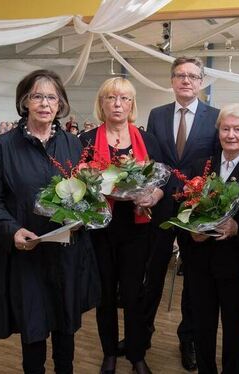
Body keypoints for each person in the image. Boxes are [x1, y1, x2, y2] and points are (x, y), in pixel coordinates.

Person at [0, 69, 100, 374]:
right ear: (25, 102)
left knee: (66, 329)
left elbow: (85, 194)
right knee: (33, 331)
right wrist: (12, 230)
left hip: (67, 254)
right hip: (28, 254)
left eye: (52, 97)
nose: (45, 103)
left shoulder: (73, 144)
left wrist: (87, 212)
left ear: (60, 104)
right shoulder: (4, 146)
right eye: (38, 96)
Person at [79, 77, 163, 374]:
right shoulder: (86, 141)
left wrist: (154, 193)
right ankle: (109, 352)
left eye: (124, 99)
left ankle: (137, 354)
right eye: (111, 98)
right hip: (101, 230)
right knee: (105, 295)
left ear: (132, 105)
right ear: (101, 103)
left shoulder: (147, 140)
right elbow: (77, 184)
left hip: (138, 229)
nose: (118, 104)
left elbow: (163, 181)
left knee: (133, 294)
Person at [144, 56, 220, 371]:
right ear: (172, 80)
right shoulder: (157, 115)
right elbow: (155, 163)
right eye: (179, 75)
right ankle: (141, 334)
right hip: (160, 207)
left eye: (192, 76)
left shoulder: (215, 117)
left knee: (195, 280)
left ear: (201, 81)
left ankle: (187, 338)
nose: (185, 80)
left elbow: (214, 164)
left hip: (195, 209)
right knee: (152, 275)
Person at [179, 103, 239, 374]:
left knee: (235, 328)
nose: (231, 135)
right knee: (202, 325)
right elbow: (182, 211)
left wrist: (238, 229)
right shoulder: (201, 166)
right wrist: (190, 232)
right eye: (226, 129)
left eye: (238, 129)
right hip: (200, 264)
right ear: (218, 132)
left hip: (235, 268)